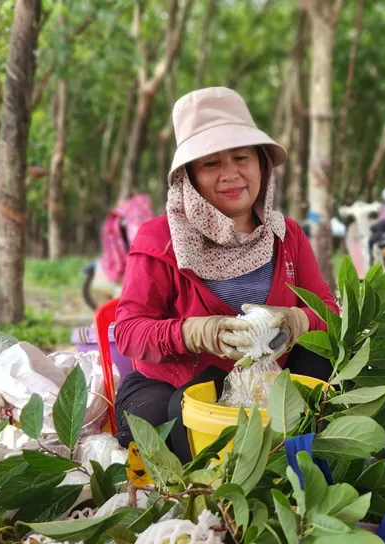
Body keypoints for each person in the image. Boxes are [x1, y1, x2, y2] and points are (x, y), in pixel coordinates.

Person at [114, 87, 339, 460]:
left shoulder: (287, 235)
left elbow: (328, 311)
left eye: (241, 158)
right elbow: (128, 332)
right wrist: (196, 333)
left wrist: (296, 320)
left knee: (329, 367)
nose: (231, 175)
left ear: (261, 165)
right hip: (180, 386)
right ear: (189, 177)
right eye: (211, 164)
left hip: (270, 382)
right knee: (157, 423)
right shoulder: (160, 239)